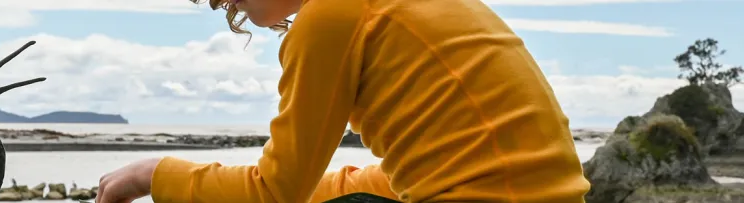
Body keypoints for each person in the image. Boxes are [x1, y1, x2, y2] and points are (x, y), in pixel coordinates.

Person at [95, 0, 592, 202]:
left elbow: (274, 192)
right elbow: (430, 168)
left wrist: (151, 173)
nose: (217, 2)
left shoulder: (328, 18)